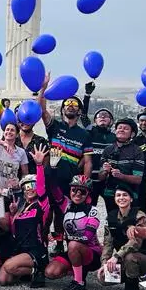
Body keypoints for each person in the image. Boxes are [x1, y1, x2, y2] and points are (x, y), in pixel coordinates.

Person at [38, 73, 91, 252]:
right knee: (45, 213)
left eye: (74, 104)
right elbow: (42, 110)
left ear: (79, 111)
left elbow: (88, 161)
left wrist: (86, 182)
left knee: (63, 214)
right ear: (62, 110)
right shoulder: (55, 126)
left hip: (68, 180)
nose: (70, 106)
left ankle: (61, 245)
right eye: (67, 104)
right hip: (49, 176)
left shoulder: (84, 135)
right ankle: (42, 245)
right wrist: (44, 88)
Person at [0, 144, 51, 288]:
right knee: (3, 279)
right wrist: (13, 214)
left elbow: (41, 188)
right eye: (26, 187)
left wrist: (39, 165)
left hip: (36, 249)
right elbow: (13, 230)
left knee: (9, 267)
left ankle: (39, 270)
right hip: (21, 249)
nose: (30, 189)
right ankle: (29, 272)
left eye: (32, 185)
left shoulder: (42, 204)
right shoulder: (21, 207)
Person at [44, 175, 103, 290]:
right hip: (73, 251)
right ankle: (78, 270)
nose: (77, 194)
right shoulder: (67, 205)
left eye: (82, 191)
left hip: (92, 253)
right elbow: (54, 188)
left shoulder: (93, 211)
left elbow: (86, 237)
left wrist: (58, 237)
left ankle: (79, 283)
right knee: (50, 272)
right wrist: (52, 169)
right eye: (74, 190)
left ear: (88, 194)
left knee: (73, 245)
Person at [97, 184, 146, 290]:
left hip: (145, 258)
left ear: (131, 199)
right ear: (114, 199)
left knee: (130, 257)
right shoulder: (111, 217)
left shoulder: (140, 216)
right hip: (123, 257)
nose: (121, 198)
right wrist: (104, 263)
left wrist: (116, 257)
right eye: (118, 195)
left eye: (125, 195)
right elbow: (108, 243)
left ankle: (132, 288)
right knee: (103, 278)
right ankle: (134, 277)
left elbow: (135, 243)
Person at [97, 118, 145, 214]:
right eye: (119, 128)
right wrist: (105, 171)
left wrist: (121, 176)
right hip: (110, 194)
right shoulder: (108, 150)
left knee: (129, 224)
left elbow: (138, 179)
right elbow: (100, 177)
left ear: (132, 134)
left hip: (130, 195)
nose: (121, 130)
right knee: (112, 223)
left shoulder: (137, 151)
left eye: (126, 128)